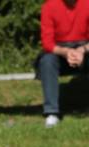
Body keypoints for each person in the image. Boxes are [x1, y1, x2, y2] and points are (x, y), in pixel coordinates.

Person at [37, 0, 89, 128]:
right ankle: (51, 112)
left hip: (85, 49)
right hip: (59, 51)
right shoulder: (49, 6)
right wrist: (66, 52)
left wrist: (82, 51)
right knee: (47, 61)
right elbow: (47, 43)